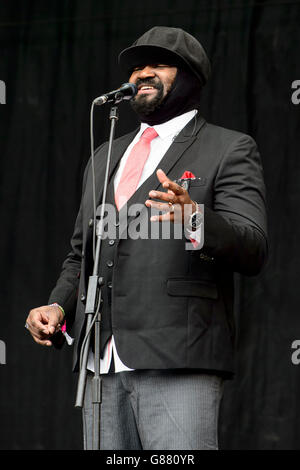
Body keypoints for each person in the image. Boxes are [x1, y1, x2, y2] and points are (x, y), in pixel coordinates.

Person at [25, 26, 268, 450]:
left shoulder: (228, 148)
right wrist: (58, 305)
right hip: (100, 360)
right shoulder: (105, 155)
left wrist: (195, 218)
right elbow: (82, 253)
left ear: (191, 76)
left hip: (179, 356)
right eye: (137, 66)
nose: (142, 73)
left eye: (159, 63)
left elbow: (253, 246)